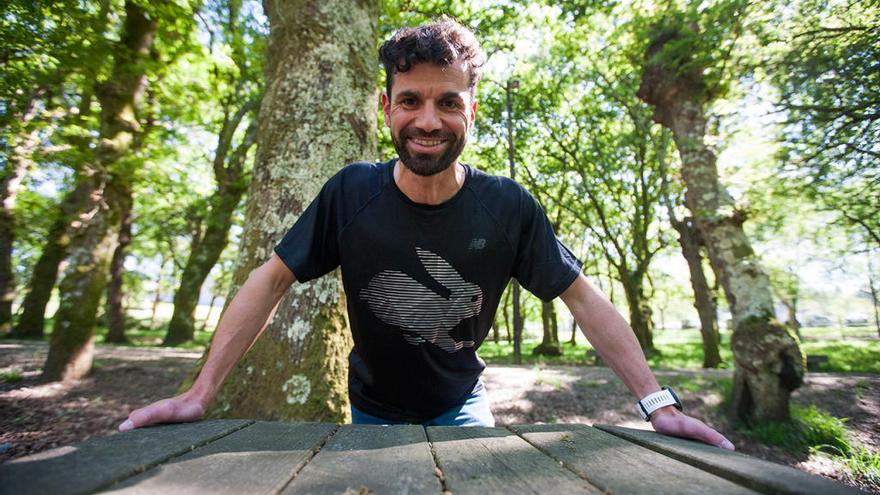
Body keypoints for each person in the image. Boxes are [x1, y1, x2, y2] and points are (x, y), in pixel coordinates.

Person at [119, 18, 734, 451]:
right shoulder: (349, 193)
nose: (428, 120)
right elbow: (270, 277)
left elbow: (583, 297)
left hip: (463, 406)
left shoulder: (508, 206)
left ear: (472, 110)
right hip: (370, 410)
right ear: (385, 107)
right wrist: (201, 394)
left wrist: (659, 405)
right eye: (410, 100)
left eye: (448, 102)